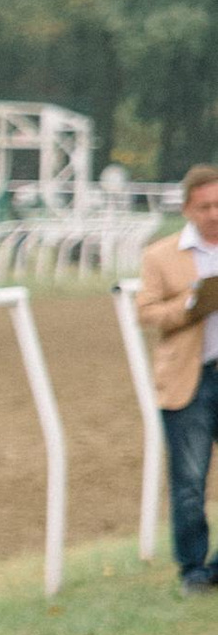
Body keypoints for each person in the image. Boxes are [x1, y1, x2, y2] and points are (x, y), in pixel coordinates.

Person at [133, 163, 218, 590]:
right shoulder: (160, 255)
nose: (214, 214)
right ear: (187, 209)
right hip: (190, 379)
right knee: (189, 481)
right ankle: (193, 568)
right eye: (205, 207)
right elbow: (146, 312)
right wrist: (191, 304)